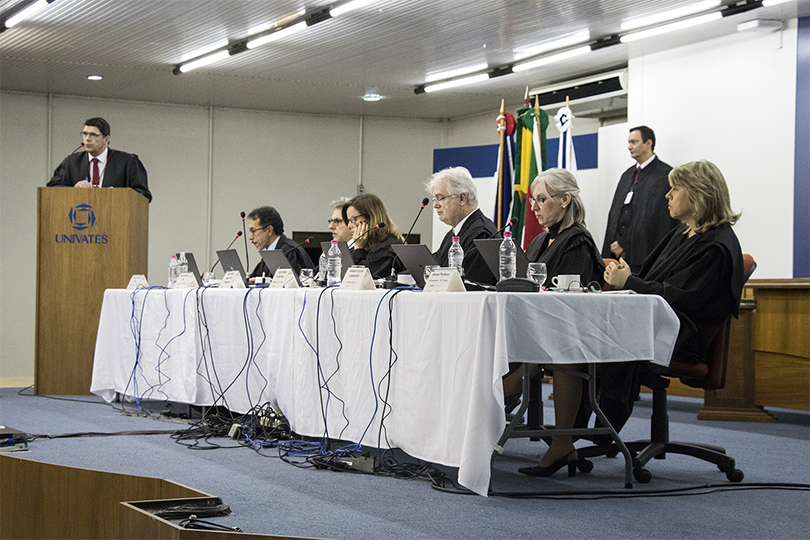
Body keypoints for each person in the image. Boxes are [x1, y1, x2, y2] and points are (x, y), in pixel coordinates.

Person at [596, 159, 744, 441]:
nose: (668, 194)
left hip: (682, 334)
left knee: (608, 340)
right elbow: (651, 277)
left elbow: (680, 298)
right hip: (658, 322)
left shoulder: (717, 245)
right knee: (592, 334)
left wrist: (629, 282)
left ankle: (602, 433)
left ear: (699, 194)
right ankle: (580, 432)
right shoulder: (682, 232)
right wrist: (628, 276)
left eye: (675, 188)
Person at [514, 169, 605, 478]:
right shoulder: (540, 239)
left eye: (542, 199)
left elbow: (569, 298)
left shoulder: (577, 240)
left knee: (548, 358)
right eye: (532, 200)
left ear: (565, 200)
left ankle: (561, 442)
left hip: (566, 333)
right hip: (536, 326)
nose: (535, 208)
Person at [601, 126, 677, 270]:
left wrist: (625, 243)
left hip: (644, 254)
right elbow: (615, 214)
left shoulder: (664, 174)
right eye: (629, 142)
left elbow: (656, 218)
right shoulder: (627, 175)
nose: (629, 147)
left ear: (648, 143)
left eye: (634, 142)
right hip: (616, 255)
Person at [47, 117, 152, 202]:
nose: (87, 139)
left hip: (116, 219)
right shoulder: (72, 162)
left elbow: (143, 194)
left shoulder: (128, 162)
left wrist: (117, 195)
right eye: (85, 134)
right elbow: (53, 187)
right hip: (79, 218)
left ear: (106, 139)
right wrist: (74, 189)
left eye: (93, 135)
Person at [426, 167, 498, 285]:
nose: (435, 205)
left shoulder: (481, 234)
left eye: (440, 198)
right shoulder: (453, 234)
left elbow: (467, 285)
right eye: (434, 199)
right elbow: (436, 265)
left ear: (462, 198)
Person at [342, 193, 405, 279]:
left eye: (353, 220)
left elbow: (355, 280)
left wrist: (359, 249)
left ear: (371, 217)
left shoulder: (387, 249)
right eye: (348, 221)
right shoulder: (364, 245)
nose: (349, 226)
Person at [247, 206, 314, 282]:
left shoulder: (290, 252)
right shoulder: (270, 253)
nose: (250, 237)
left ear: (269, 230)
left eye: (253, 231)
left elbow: (293, 286)